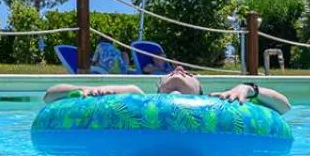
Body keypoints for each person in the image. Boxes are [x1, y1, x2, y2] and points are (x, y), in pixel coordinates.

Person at [45, 64, 291, 115]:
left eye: (187, 73)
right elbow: (50, 96)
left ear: (200, 90)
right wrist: (88, 89)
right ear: (159, 89)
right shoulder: (136, 97)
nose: (179, 68)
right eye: (173, 71)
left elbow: (284, 106)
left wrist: (249, 88)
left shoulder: (220, 102)